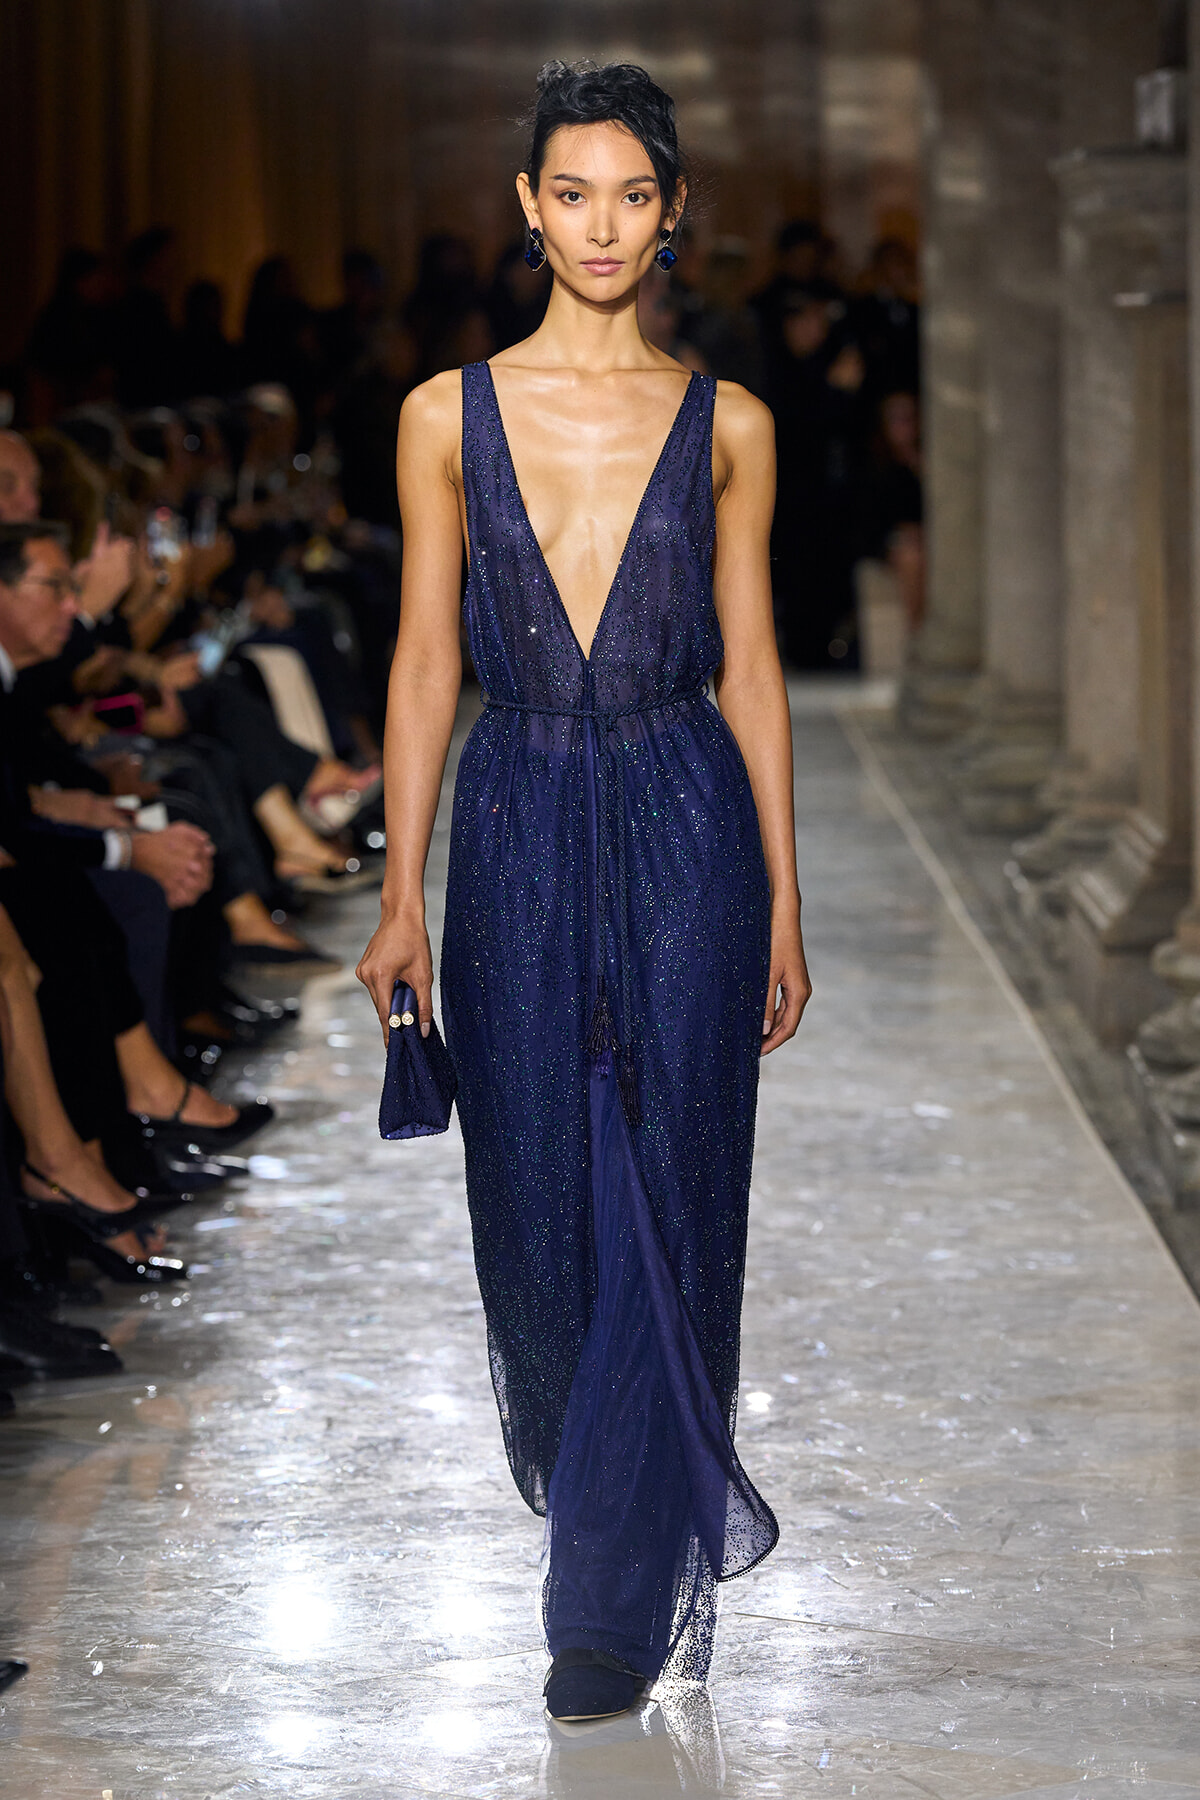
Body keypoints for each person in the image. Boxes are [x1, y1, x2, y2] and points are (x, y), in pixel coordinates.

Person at [358, 59, 810, 1722]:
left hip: (689, 813)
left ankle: (602, 1605)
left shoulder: (731, 423)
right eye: (574, 191)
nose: (603, 223)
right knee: (539, 1187)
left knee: (666, 1181)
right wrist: (399, 890)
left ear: (670, 210)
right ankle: (600, 1506)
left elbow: (753, 670)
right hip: (521, 815)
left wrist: (781, 894)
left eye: (635, 192)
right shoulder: (440, 416)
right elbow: (421, 665)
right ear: (530, 207)